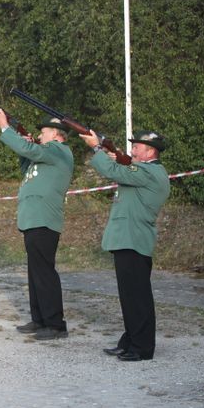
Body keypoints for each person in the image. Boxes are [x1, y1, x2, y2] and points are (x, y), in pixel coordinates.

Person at [78, 130, 170, 361]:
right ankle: (130, 341)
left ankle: (142, 347)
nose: (133, 150)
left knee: (137, 297)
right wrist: (111, 155)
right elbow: (123, 170)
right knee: (130, 297)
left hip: (133, 239)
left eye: (137, 147)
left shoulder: (149, 172)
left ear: (150, 151)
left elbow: (113, 171)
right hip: (129, 239)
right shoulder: (145, 171)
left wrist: (96, 148)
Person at [0, 112, 74, 340]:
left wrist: (5, 128)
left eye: (43, 132)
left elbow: (32, 151)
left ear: (56, 134)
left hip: (43, 218)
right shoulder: (47, 154)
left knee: (44, 273)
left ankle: (55, 324)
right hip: (34, 218)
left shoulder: (58, 150)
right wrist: (25, 149)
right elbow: (28, 170)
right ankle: (40, 319)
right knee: (35, 272)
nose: (39, 136)